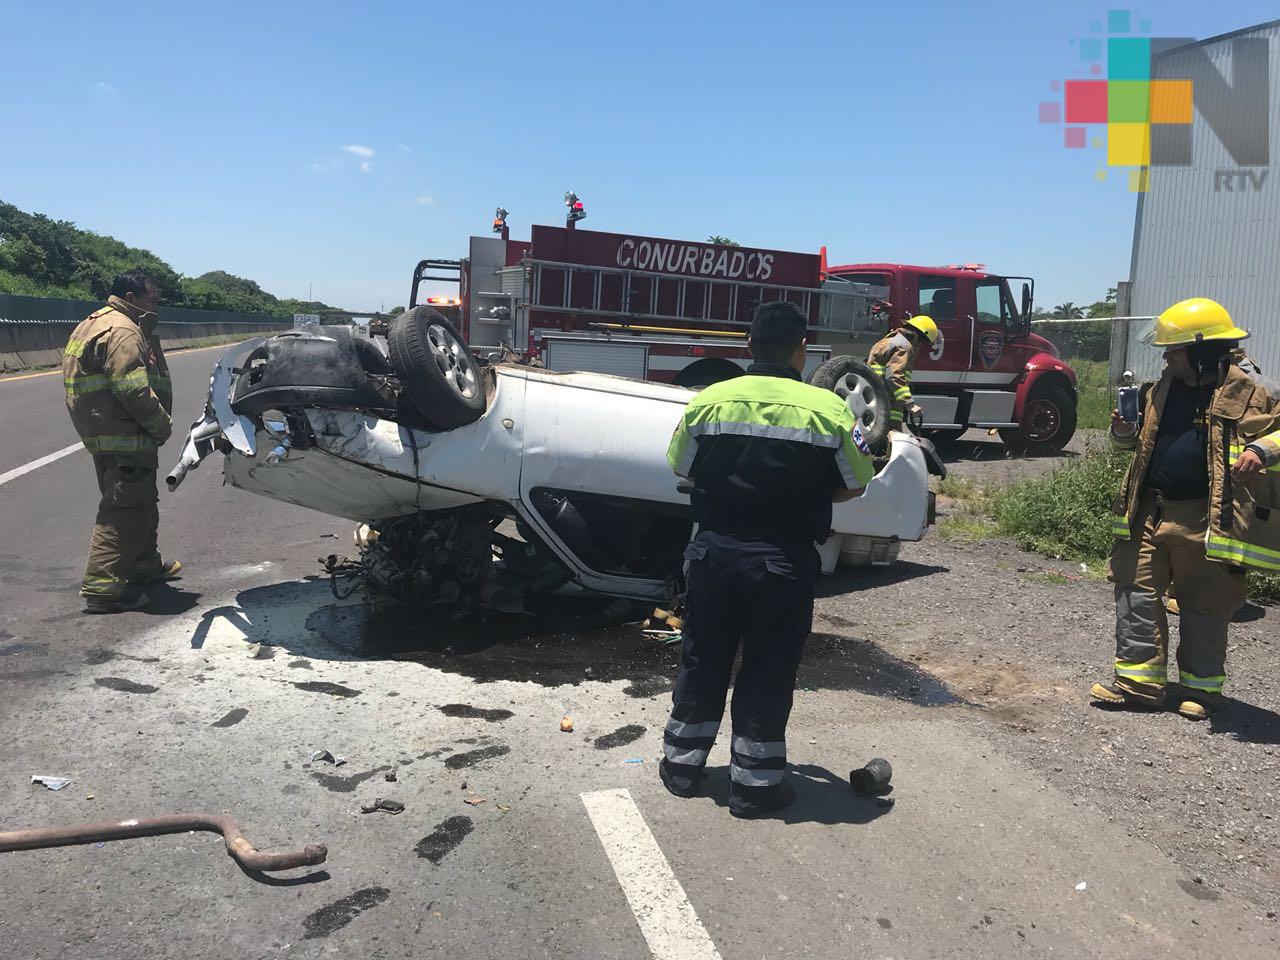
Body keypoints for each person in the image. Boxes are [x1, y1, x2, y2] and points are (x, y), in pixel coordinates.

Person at [661, 301, 875, 817]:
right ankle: (755, 787)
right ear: (803, 350)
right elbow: (855, 485)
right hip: (783, 562)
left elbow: (682, 470)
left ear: (748, 347)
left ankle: (681, 767)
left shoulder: (709, 402)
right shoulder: (830, 412)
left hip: (715, 553)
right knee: (768, 669)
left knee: (702, 657)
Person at [1091, 298, 1280, 720]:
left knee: (1204, 602)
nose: (1165, 357)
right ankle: (1138, 684)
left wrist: (1263, 449)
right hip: (1150, 509)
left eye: (1172, 350)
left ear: (1200, 351)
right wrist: (1123, 432)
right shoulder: (1160, 388)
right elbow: (1133, 447)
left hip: (1207, 518)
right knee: (1135, 591)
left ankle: (1200, 690)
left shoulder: (1253, 394)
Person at [63, 270, 180, 613]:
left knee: (140, 501)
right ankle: (102, 589)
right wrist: (160, 424)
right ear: (131, 299)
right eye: (152, 299)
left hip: (106, 433)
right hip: (126, 436)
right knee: (122, 510)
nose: (157, 305)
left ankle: (143, 565)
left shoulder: (94, 322)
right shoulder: (124, 330)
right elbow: (132, 387)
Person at [867, 315, 940, 429]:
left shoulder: (889, 340)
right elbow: (894, 375)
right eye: (923, 342)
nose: (920, 346)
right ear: (918, 337)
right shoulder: (905, 346)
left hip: (874, 397)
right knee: (893, 436)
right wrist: (910, 403)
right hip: (887, 401)